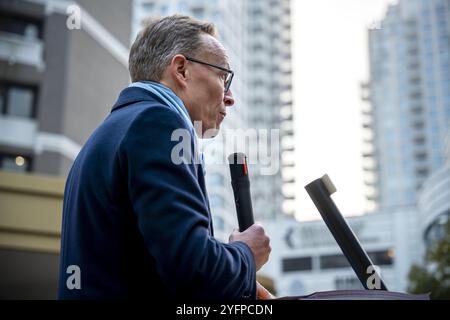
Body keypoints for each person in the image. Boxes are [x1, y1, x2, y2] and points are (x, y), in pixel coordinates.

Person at [58, 15, 272, 300]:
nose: (230, 97)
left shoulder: (105, 136)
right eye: (224, 76)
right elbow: (195, 273)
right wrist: (246, 254)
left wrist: (236, 283)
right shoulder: (159, 122)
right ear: (181, 69)